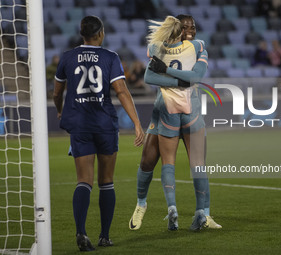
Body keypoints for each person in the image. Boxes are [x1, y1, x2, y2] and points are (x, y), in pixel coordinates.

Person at [53, 16, 144, 251]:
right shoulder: (110, 57)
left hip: (80, 125)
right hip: (104, 124)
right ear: (101, 33)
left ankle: (81, 232)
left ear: (82, 34)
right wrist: (136, 123)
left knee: (83, 181)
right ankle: (104, 236)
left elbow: (56, 92)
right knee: (106, 182)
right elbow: (121, 91)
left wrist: (61, 111)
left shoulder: (67, 57)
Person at [129, 15, 220, 231]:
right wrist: (182, 80)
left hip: (178, 111)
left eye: (193, 26)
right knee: (148, 161)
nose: (190, 30)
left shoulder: (194, 47)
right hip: (167, 111)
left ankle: (203, 215)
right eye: (185, 26)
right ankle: (141, 204)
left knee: (191, 164)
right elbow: (151, 77)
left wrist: (170, 74)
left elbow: (158, 75)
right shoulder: (193, 48)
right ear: (177, 29)